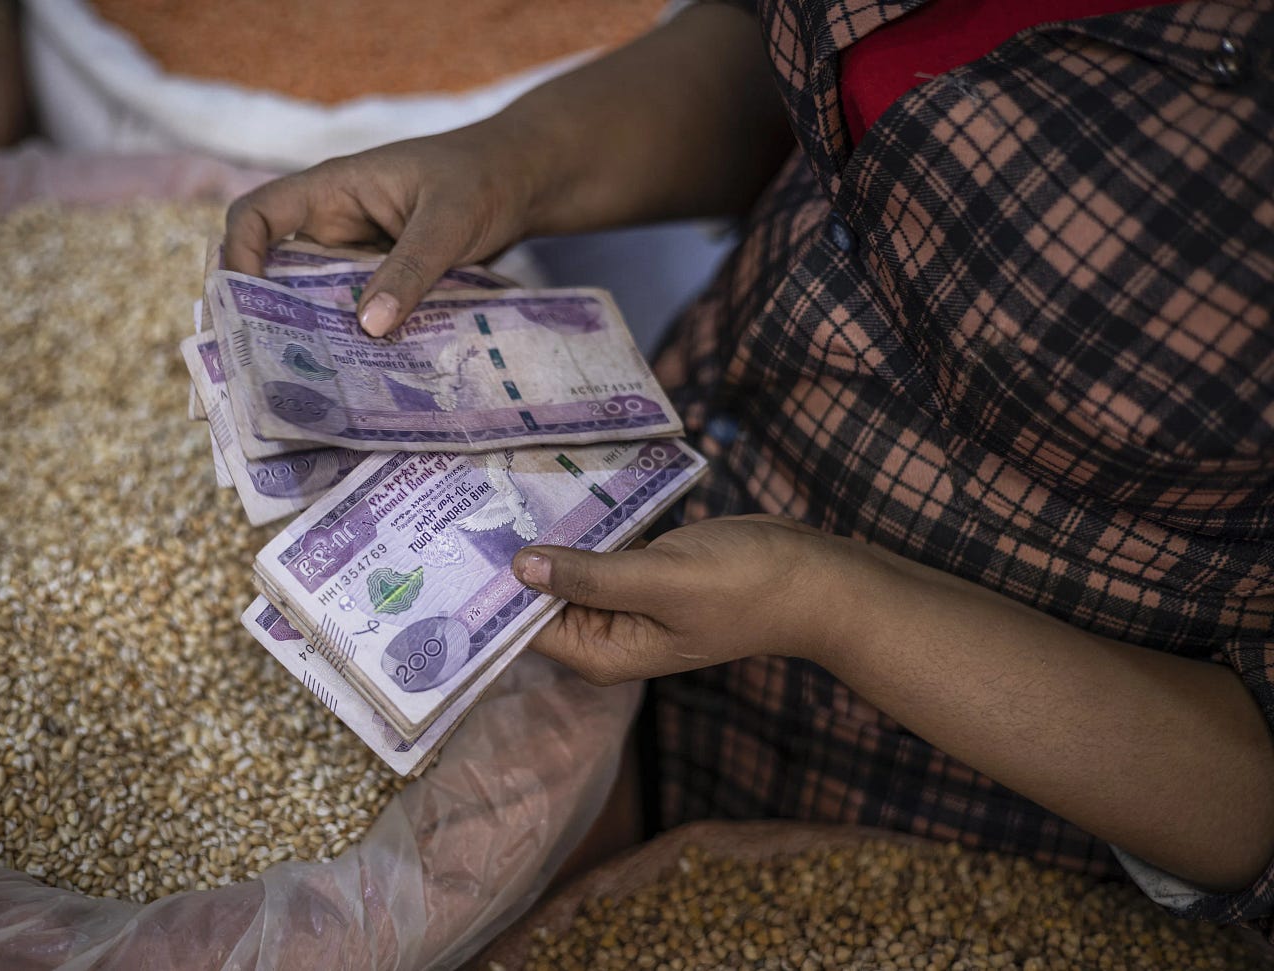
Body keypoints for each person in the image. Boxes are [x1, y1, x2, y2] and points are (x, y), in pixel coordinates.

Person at [222, 0, 1274, 938]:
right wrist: (513, 161)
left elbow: (1252, 803)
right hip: (646, 543)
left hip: (953, 813)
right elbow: (793, 64)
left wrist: (826, 604)